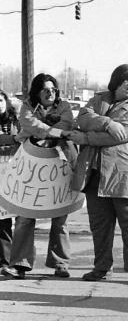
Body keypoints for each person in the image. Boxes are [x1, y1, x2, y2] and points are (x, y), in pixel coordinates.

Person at [68, 64, 128, 285]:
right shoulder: (98, 100)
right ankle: (102, 267)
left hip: (125, 176)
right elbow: (82, 119)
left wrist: (86, 138)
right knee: (100, 226)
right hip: (95, 174)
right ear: (116, 82)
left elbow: (121, 136)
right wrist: (107, 122)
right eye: (126, 81)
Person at [2, 74, 75, 279]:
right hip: (31, 166)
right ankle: (20, 264)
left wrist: (48, 129)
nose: (50, 93)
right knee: (25, 216)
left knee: (60, 217)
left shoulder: (65, 105)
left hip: (59, 165)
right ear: (36, 92)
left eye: (53, 89)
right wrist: (53, 129)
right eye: (45, 90)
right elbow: (29, 124)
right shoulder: (27, 106)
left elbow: (67, 124)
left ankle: (60, 262)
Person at [0, 90, 20, 273]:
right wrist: (12, 139)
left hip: (14, 174)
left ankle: (11, 261)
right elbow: (16, 139)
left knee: (11, 219)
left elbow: (24, 140)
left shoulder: (16, 121)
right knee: (2, 221)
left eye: (0, 100)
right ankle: (4, 261)